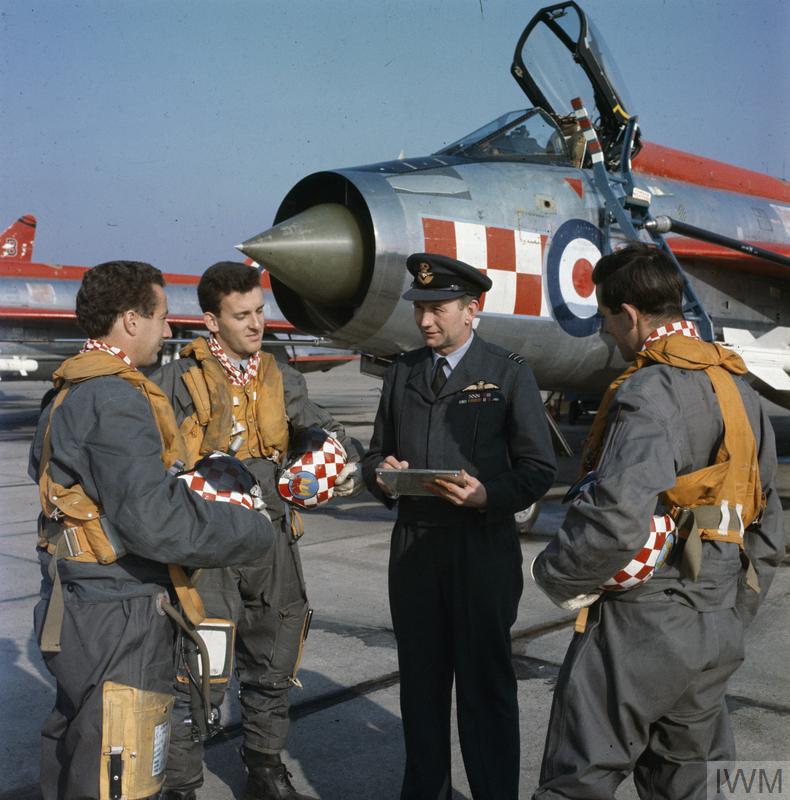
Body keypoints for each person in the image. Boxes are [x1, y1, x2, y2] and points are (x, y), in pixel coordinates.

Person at [531, 243, 783, 799]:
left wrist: (554, 574)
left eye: (606, 319)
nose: (606, 334)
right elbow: (767, 526)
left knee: (579, 779)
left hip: (641, 629)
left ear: (631, 314)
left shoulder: (649, 390)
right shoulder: (741, 390)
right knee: (696, 785)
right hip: (715, 631)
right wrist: (730, 614)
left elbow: (618, 518)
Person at [30, 261, 273, 800]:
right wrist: (253, 531)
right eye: (162, 317)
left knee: (77, 747)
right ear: (130, 320)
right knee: (124, 763)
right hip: (117, 608)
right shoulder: (116, 396)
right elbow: (153, 522)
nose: (169, 330)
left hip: (72, 597)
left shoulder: (71, 384)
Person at [152, 261, 363, 800]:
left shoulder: (280, 375)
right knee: (201, 663)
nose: (255, 324)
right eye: (241, 315)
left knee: (275, 652)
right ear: (211, 320)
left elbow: (324, 428)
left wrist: (336, 463)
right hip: (209, 547)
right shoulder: (179, 380)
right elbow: (154, 461)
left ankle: (265, 767)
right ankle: (182, 783)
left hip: (272, 539)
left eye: (259, 311)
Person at [361, 253, 557, 800]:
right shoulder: (401, 373)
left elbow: (538, 468)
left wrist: (488, 494)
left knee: (485, 689)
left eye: (437, 308)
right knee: (420, 690)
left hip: (481, 551)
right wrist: (382, 472)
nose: (425, 320)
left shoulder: (508, 372)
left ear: (473, 309)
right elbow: (375, 453)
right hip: (416, 551)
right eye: (420, 308)